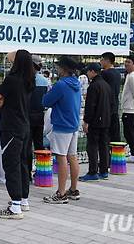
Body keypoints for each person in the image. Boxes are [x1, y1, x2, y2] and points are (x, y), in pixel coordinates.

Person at [0, 50, 35, 219]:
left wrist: (5, 103)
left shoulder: (12, 79)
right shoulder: (28, 80)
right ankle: (23, 200)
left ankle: (15, 206)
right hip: (24, 127)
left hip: (11, 128)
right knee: (23, 164)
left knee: (11, 165)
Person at [41, 56, 82, 204]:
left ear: (63, 69)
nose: (57, 69)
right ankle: (73, 189)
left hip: (61, 125)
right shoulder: (76, 83)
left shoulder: (61, 85)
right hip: (73, 125)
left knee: (61, 157)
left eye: (58, 67)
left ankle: (61, 193)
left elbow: (46, 101)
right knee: (72, 156)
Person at [79, 63, 111, 182]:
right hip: (106, 120)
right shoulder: (106, 85)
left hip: (95, 121)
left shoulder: (93, 86)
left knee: (92, 146)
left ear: (93, 72)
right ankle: (103, 170)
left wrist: (86, 121)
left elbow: (90, 106)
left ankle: (93, 171)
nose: (87, 74)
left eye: (88, 71)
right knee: (103, 146)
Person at [26, 55, 47, 179]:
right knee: (39, 145)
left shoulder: (26, 80)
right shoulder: (44, 80)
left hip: (28, 116)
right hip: (40, 116)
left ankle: (27, 174)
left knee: (27, 146)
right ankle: (41, 172)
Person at [100, 52, 122, 144]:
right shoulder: (117, 73)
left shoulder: (105, 73)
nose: (100, 61)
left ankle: (106, 155)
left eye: (102, 59)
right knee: (115, 134)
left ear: (107, 60)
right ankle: (116, 155)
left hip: (106, 107)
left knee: (105, 134)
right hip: (115, 106)